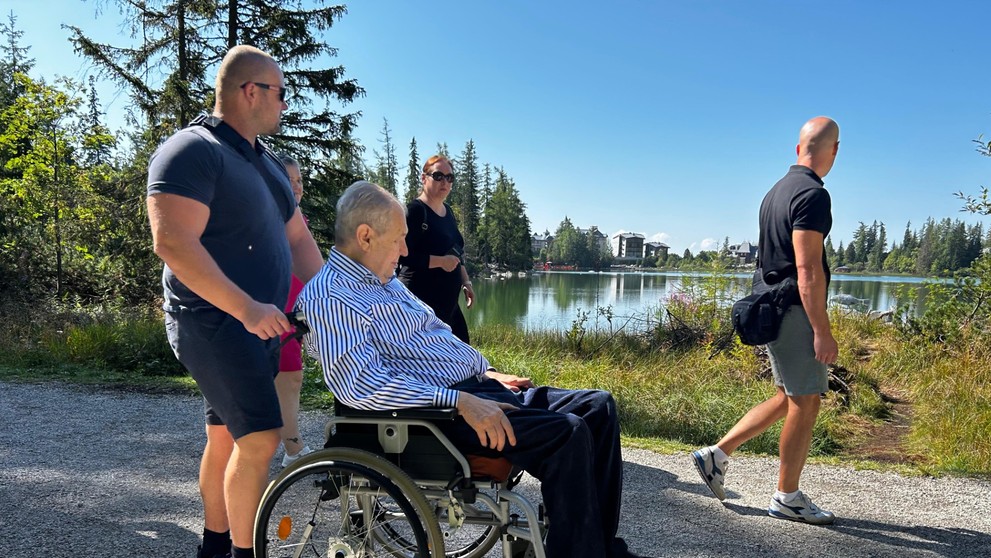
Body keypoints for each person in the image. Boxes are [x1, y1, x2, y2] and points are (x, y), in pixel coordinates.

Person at [297, 181, 648, 558]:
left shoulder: (385, 283)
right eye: (399, 239)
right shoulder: (332, 296)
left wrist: (487, 370)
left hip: (474, 388)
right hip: (437, 415)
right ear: (365, 236)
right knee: (567, 434)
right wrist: (460, 401)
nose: (405, 250)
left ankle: (600, 548)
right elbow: (359, 385)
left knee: (599, 407)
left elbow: (437, 339)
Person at [147, 45, 323, 558]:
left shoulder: (266, 163)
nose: (285, 104)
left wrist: (345, 299)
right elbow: (173, 241)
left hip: (262, 326)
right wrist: (246, 307)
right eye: (280, 93)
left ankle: (214, 545)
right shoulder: (192, 150)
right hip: (214, 321)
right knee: (263, 439)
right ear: (251, 92)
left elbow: (298, 241)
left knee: (226, 438)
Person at [691, 116, 841, 525]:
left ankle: (716, 455)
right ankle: (787, 496)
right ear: (834, 150)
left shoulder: (776, 191)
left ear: (798, 149)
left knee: (786, 397)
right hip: (794, 311)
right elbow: (808, 269)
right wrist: (822, 330)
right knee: (806, 401)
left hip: (774, 308)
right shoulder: (812, 195)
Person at [397, 154, 475, 343]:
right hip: (420, 304)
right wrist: (439, 262)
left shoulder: (448, 212)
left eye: (450, 178)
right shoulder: (414, 211)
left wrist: (466, 282)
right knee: (432, 363)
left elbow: (457, 250)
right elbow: (401, 255)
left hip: (449, 304)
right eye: (438, 176)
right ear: (424, 178)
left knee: (464, 354)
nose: (445, 182)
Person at [275, 154, 313, 468]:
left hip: (298, 310)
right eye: (290, 180)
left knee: (292, 378)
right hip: (279, 310)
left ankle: (290, 444)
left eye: (300, 180)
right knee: (290, 377)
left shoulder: (297, 216)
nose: (297, 186)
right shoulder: (271, 216)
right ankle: (292, 448)